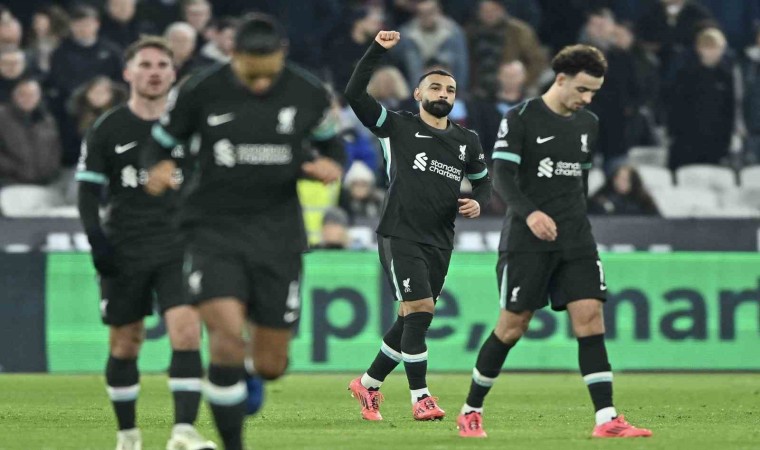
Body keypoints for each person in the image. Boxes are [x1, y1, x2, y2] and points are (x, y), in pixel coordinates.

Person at [141, 14, 345, 450]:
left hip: (278, 234)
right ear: (233, 55)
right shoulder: (200, 90)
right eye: (253, 71)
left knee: (271, 364)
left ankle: (250, 374)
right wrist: (157, 167)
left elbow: (332, 143)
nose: (261, 81)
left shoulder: (309, 92)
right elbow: (159, 142)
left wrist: (330, 163)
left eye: (269, 71)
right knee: (227, 341)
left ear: (282, 55)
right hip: (213, 228)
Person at [456, 44, 653, 439]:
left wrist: (574, 218)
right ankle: (471, 410)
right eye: (582, 89)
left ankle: (606, 418)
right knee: (512, 326)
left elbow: (579, 181)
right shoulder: (521, 117)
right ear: (560, 79)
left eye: (593, 91)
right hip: (526, 239)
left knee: (591, 318)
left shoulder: (588, 123)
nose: (588, 98)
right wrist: (531, 213)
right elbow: (502, 177)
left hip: (575, 237)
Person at [75, 36, 215, 450]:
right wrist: (97, 242)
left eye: (161, 66)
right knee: (126, 340)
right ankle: (128, 435)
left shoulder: (191, 127)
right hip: (126, 246)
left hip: (179, 245)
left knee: (186, 332)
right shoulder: (108, 127)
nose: (154, 73)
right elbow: (87, 192)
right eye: (145, 65)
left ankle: (183, 432)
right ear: (128, 73)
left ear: (173, 74)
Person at [344, 30, 491, 422]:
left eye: (450, 90)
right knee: (421, 309)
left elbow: (484, 182)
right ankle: (421, 397)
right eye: (436, 87)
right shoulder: (396, 126)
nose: (443, 94)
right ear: (417, 94)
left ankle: (368, 384)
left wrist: (479, 200)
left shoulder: (467, 140)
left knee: (411, 317)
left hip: (440, 238)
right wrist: (377, 50)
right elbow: (354, 93)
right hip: (400, 232)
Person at [588, 165, 660, 216]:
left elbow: (657, 222)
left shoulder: (644, 202)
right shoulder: (600, 199)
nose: (620, 182)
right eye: (617, 178)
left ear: (633, 182)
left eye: (625, 179)